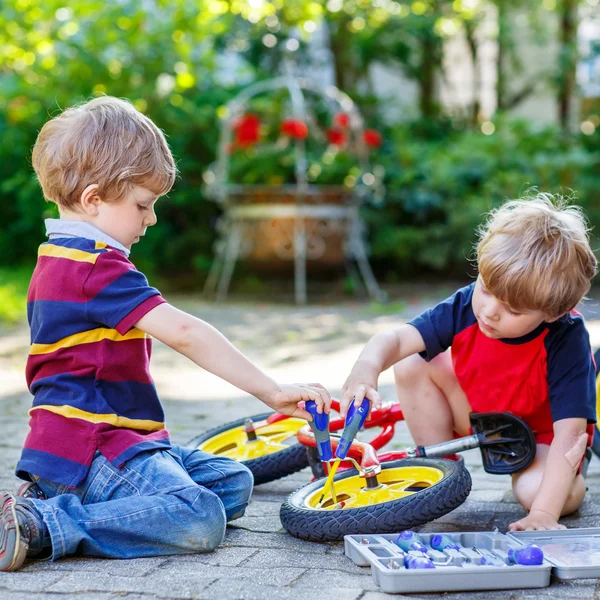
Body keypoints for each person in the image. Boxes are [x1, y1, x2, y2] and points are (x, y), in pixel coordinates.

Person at [0, 96, 331, 571]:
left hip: (109, 442)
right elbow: (186, 332)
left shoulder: (59, 256)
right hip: (93, 446)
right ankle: (43, 524)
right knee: (199, 518)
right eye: (143, 205)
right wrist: (272, 391)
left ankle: (55, 493)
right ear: (94, 199)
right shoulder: (95, 267)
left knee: (232, 480)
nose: (151, 219)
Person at [340, 193, 597, 531]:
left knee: (534, 494)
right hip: (482, 413)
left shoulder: (566, 337)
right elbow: (399, 339)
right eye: (487, 289)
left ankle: (571, 485)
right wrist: (366, 369)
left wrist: (544, 514)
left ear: (553, 312)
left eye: (513, 310)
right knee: (412, 362)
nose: (490, 311)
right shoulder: (466, 305)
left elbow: (570, 432)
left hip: (540, 437)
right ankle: (440, 470)